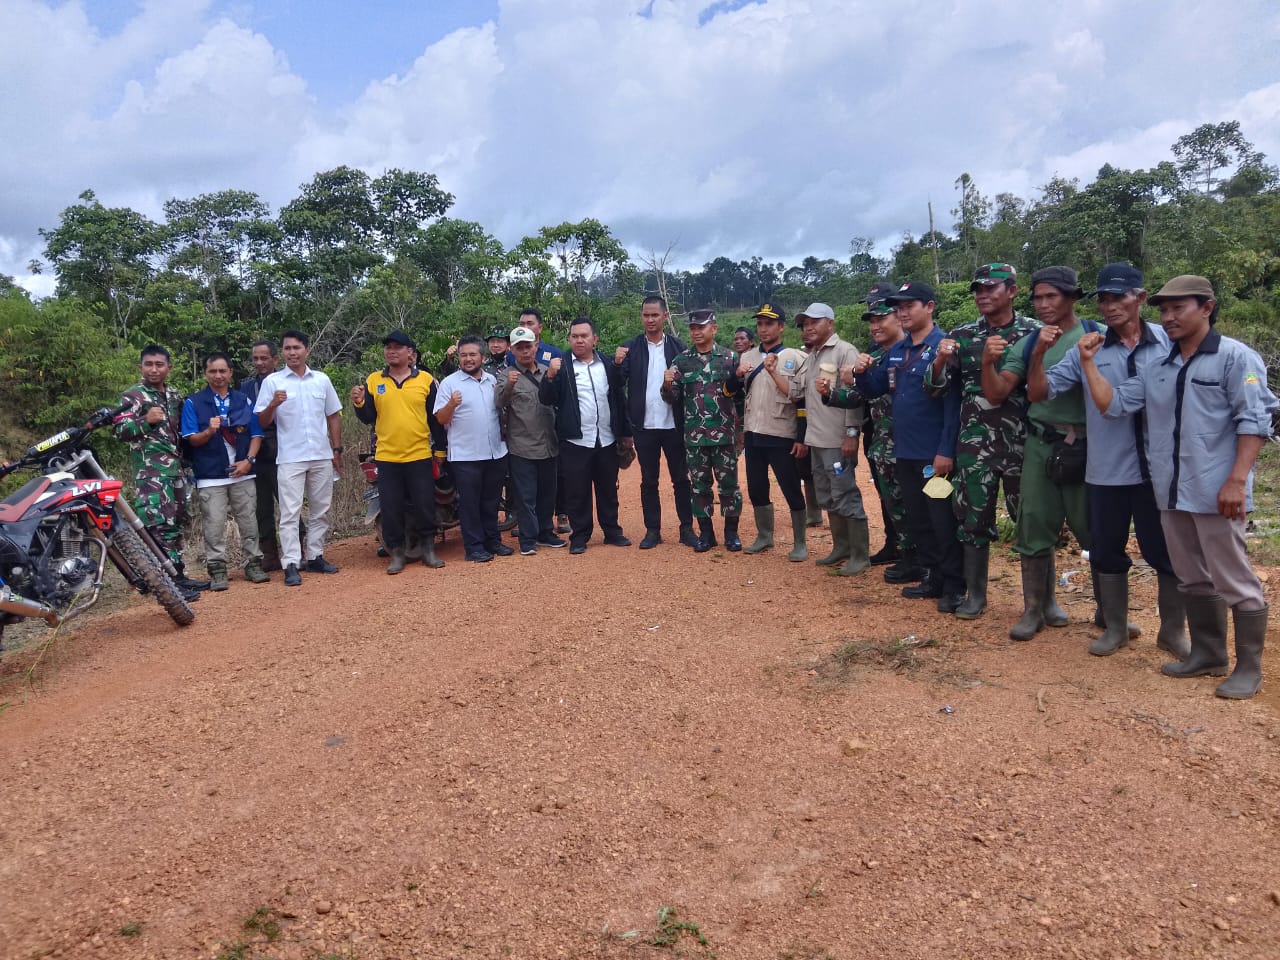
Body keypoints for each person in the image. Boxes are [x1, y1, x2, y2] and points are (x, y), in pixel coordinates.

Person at [1078, 275, 1277, 699]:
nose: (1168, 317)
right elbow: (1113, 405)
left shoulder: (1234, 357)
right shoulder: (1159, 367)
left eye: (1178, 308)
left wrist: (1237, 481)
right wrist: (1090, 364)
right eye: (1164, 310)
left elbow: (1254, 421)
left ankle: (1248, 668)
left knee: (1233, 578)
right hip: (1170, 491)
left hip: (1218, 492)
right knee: (1190, 576)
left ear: (1206, 308)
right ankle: (1208, 654)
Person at [1028, 263, 1188, 658]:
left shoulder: (1171, 345)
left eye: (1119, 297)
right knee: (1106, 550)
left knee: (1166, 553)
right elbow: (1041, 392)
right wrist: (1038, 355)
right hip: (1107, 468)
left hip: (1160, 471)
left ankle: (1172, 631)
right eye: (1103, 298)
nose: (1110, 305)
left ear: (1140, 298)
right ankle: (1114, 627)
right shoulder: (1091, 347)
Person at [982, 267, 1094, 639]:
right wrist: (987, 363)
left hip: (1088, 446)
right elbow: (998, 393)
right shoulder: (1028, 343)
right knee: (1033, 524)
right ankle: (1035, 610)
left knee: (1095, 527)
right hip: (1039, 443)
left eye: (1052, 297)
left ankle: (1111, 613)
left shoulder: (1096, 335)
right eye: (1039, 298)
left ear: (1072, 298)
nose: (1044, 305)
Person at [925, 263, 1039, 619]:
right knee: (972, 519)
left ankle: (1037, 604)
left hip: (1024, 442)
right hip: (974, 446)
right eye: (978, 289)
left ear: (1013, 291)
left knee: (1030, 522)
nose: (983, 295)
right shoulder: (962, 335)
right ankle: (975, 595)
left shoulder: (1034, 332)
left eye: (991, 288)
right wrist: (941, 360)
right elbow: (934, 388)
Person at [853, 282, 964, 610]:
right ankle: (932, 577)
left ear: (929, 307)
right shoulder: (897, 351)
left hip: (934, 455)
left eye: (908, 306)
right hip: (905, 452)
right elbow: (876, 389)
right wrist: (861, 372)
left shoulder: (942, 348)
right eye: (897, 307)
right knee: (920, 520)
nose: (902, 312)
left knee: (943, 521)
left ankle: (954, 586)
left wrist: (945, 451)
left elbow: (951, 404)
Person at [113, 344, 208, 599]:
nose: (154, 369)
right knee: (158, 526)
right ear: (140, 367)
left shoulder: (174, 395)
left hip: (175, 470)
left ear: (169, 368)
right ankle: (166, 585)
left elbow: (181, 433)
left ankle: (178, 575)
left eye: (159, 364)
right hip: (150, 475)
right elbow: (119, 431)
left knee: (176, 523)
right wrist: (146, 421)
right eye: (148, 364)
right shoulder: (132, 396)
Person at [351, 330, 447, 574]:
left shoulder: (425, 380)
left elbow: (435, 419)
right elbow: (368, 418)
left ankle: (428, 549)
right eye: (388, 347)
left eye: (397, 347)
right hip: (387, 457)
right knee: (391, 507)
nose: (391, 351)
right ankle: (396, 553)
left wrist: (441, 450)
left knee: (424, 504)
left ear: (409, 353)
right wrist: (360, 403)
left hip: (419, 454)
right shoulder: (374, 380)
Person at [253, 330, 344, 587]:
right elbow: (261, 421)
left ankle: (315, 556)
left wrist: (337, 450)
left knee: (320, 510)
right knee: (290, 512)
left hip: (321, 455)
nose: (292, 353)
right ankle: (291, 562)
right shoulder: (273, 382)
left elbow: (333, 416)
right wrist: (272, 404)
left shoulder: (322, 380)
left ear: (307, 350)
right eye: (287, 348)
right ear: (281, 353)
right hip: (290, 457)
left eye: (296, 348)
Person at [539, 318, 632, 554]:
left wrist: (625, 433)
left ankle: (612, 531)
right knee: (577, 491)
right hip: (575, 440)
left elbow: (620, 399)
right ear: (569, 339)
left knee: (608, 488)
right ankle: (580, 536)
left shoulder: (608, 364)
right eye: (574, 336)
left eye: (584, 336)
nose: (579, 340)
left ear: (594, 339)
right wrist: (549, 377)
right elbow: (546, 399)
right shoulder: (562, 367)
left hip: (606, 438)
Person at [181, 353, 268, 590]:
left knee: (249, 521)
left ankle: (253, 564)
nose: (218, 376)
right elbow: (190, 439)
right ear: (205, 374)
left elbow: (256, 434)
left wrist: (249, 461)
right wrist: (209, 431)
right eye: (213, 371)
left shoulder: (243, 400)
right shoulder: (193, 402)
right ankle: (218, 570)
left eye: (222, 371)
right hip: (210, 474)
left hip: (243, 472)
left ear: (230, 373)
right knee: (214, 524)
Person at [614, 295, 696, 549]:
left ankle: (686, 528)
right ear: (642, 317)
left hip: (674, 425)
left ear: (665, 317)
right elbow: (617, 384)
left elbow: (689, 388)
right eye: (646, 315)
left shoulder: (679, 348)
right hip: (644, 426)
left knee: (681, 478)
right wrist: (617, 364)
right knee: (649, 480)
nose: (650, 319)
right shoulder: (630, 348)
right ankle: (653, 530)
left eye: (655, 315)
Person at [793, 303, 868, 575]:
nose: (807, 328)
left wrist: (852, 433)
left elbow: (855, 396)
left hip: (838, 440)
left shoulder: (845, 351)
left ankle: (860, 556)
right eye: (804, 324)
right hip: (817, 439)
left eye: (813, 322)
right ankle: (841, 547)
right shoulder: (811, 355)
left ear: (830, 324)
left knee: (846, 493)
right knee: (827, 495)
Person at [661, 308, 743, 552]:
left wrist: (741, 431)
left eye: (701, 327)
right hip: (695, 437)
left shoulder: (729, 359)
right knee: (699, 487)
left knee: (729, 486)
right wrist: (666, 384)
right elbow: (671, 398)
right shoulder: (681, 361)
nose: (696, 332)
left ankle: (731, 534)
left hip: (725, 434)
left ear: (714, 329)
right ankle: (707, 534)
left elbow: (740, 398)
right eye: (693, 328)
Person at [736, 303, 809, 560]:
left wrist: (802, 438)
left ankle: (800, 542)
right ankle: (764, 536)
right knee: (756, 487)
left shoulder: (797, 358)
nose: (764, 328)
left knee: (790, 487)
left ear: (781, 326)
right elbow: (736, 393)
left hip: (782, 432)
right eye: (760, 324)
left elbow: (802, 401)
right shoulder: (746, 358)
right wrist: (735, 376)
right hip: (754, 432)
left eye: (769, 323)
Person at [845, 287, 909, 568]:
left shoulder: (910, 350)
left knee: (909, 498)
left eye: (879, 311)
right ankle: (894, 544)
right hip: (878, 433)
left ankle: (914, 554)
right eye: (870, 312)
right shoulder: (874, 352)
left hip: (906, 437)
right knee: (887, 494)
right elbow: (866, 393)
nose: (875, 322)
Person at [434, 336, 512, 562]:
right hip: (465, 456)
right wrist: (451, 404)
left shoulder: (492, 381)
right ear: (458, 358)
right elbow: (440, 418)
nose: (468, 359)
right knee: (470, 504)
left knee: (491, 500)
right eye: (463, 355)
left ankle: (493, 541)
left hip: (495, 452)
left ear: (483, 357)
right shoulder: (450, 383)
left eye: (472, 355)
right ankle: (474, 547)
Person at [497, 325, 565, 554]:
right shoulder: (506, 375)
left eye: (528, 345)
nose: (525, 351)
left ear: (536, 345)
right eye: (520, 347)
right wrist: (510, 385)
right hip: (522, 446)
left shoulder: (548, 371)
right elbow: (499, 404)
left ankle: (546, 532)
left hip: (549, 443)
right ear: (512, 350)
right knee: (526, 497)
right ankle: (528, 539)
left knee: (548, 494)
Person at [240, 339, 288, 571]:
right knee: (261, 506)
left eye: (264, 358)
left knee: (289, 503)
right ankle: (269, 553)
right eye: (255, 358)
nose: (259, 363)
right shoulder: (246, 387)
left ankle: (297, 549)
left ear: (275, 360)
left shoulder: (286, 382)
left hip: (283, 450)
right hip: (255, 452)